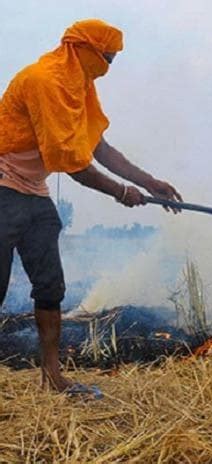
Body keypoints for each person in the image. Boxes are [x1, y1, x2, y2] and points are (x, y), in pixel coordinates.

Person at [0, 19, 182, 392]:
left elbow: (97, 147)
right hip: (2, 186)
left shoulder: (79, 87)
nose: (108, 68)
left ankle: (53, 378)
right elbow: (72, 161)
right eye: (107, 58)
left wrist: (148, 183)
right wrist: (120, 192)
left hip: (33, 190)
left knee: (51, 288)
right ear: (82, 49)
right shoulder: (44, 80)